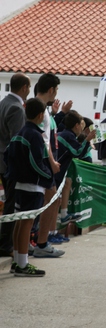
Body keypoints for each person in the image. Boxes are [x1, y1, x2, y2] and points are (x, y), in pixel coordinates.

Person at [6, 98, 53, 276]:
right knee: (27, 223)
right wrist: (48, 176)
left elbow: (7, 155)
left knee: (20, 222)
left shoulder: (19, 133)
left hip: (19, 184)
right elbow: (36, 162)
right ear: (41, 115)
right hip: (32, 187)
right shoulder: (34, 135)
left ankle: (17, 261)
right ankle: (23, 265)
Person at [32, 73, 65, 259]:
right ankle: (41, 243)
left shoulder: (43, 109)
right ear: (51, 89)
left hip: (44, 163)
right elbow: (43, 141)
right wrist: (52, 162)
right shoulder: (40, 110)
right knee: (49, 199)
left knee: (47, 200)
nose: (56, 93)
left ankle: (36, 241)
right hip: (42, 164)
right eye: (56, 89)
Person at [0, 73, 31, 257]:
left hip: (2, 161)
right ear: (24, 87)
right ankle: (6, 245)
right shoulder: (16, 108)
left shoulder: (3, 103)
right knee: (11, 205)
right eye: (29, 87)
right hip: (9, 164)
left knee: (8, 203)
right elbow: (17, 141)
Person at [55, 110, 97, 230]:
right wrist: (87, 140)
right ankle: (50, 233)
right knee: (53, 203)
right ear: (77, 125)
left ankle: (63, 215)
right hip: (56, 173)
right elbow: (77, 152)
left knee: (67, 183)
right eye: (81, 124)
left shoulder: (66, 134)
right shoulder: (67, 136)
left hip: (59, 173)